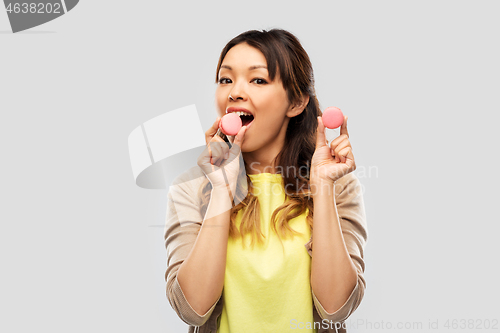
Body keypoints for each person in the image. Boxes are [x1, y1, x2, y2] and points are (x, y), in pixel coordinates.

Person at [164, 28, 368, 333]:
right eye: (226, 79)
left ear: (296, 102)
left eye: (258, 80)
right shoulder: (191, 187)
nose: (234, 92)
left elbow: (336, 308)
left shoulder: (338, 186)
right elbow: (193, 310)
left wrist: (323, 188)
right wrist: (221, 190)